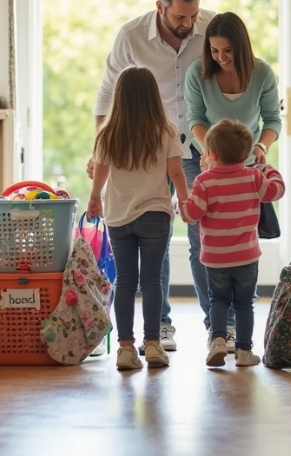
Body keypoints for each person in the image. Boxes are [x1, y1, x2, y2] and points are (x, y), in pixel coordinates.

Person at [89, 0, 219, 353]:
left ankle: (218, 326)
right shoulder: (131, 37)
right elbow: (107, 94)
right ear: (159, 7)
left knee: (203, 237)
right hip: (148, 147)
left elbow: (232, 74)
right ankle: (158, 327)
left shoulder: (211, 27)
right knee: (154, 237)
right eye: (180, 16)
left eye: (193, 15)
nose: (188, 23)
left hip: (198, 147)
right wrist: (99, 149)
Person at [184, 11, 282, 347]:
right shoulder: (198, 73)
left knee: (241, 236)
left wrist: (260, 147)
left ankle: (237, 325)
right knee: (201, 241)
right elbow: (195, 118)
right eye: (214, 51)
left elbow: (272, 120)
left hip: (246, 160)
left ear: (241, 47)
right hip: (204, 157)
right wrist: (209, 152)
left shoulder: (262, 73)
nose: (221, 58)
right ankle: (217, 327)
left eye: (227, 51)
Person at [88, 66, 190, 371]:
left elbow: (101, 171)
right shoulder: (166, 130)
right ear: (152, 96)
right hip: (155, 214)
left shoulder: (108, 132)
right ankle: (153, 344)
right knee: (152, 280)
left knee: (125, 281)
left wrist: (94, 198)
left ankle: (125, 348)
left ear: (119, 97)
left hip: (119, 217)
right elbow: (175, 172)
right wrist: (185, 200)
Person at [179, 119, 285, 367]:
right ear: (245, 154)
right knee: (244, 303)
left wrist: (181, 205)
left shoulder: (204, 181)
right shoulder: (253, 177)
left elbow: (191, 215)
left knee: (218, 300)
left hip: (215, 257)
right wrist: (268, 169)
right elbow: (277, 191)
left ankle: (218, 340)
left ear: (211, 154)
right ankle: (244, 351)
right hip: (246, 256)